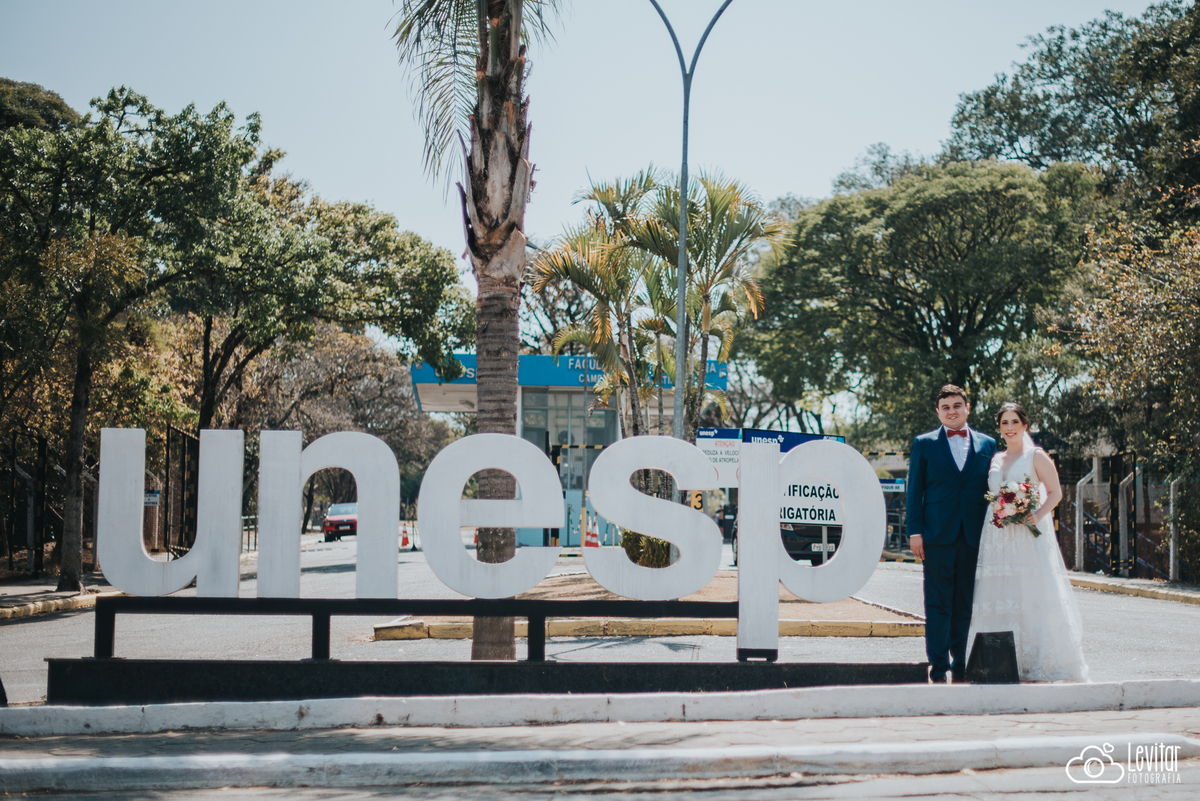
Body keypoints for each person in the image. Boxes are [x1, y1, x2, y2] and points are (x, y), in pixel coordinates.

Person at [968, 402, 1088, 682]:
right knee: (1000, 593)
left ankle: (1038, 660)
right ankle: (998, 660)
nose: (1009, 428)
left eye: (1014, 422)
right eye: (1004, 424)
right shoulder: (996, 459)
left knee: (1032, 592)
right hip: (998, 534)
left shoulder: (1037, 456)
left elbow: (1055, 492)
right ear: (1000, 429)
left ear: (1025, 425)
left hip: (1027, 533)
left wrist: (1036, 515)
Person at [905, 385, 997, 683]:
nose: (952, 411)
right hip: (935, 535)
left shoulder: (988, 444)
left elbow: (993, 490)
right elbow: (914, 490)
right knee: (937, 601)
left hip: (974, 536)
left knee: (966, 602)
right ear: (938, 411)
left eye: (957, 405)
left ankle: (961, 663)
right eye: (946, 407)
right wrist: (914, 531)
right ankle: (939, 664)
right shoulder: (924, 443)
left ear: (967, 408)